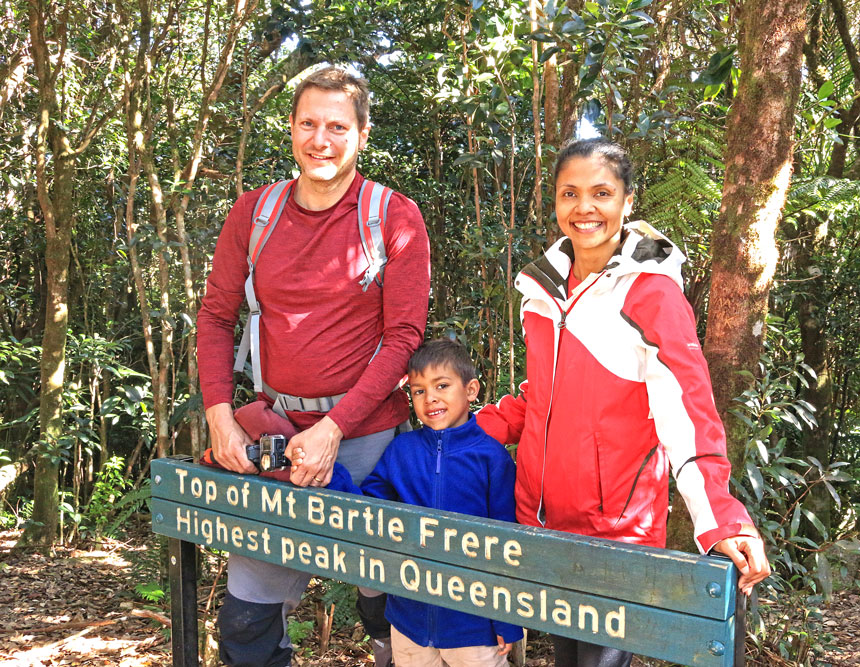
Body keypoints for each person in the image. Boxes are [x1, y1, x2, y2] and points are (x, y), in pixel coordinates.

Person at [476, 137, 771, 667]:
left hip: (615, 531)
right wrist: (467, 435)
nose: (584, 208)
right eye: (570, 193)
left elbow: (688, 412)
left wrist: (721, 519)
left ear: (627, 201)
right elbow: (540, 394)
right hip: (537, 521)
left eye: (601, 192)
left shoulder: (652, 294)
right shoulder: (540, 290)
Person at [196, 66, 430, 667]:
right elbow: (217, 316)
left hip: (368, 438)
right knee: (246, 623)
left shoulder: (394, 217)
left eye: (337, 126)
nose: (320, 140)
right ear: (292, 128)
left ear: (362, 134)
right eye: (308, 123)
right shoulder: (255, 213)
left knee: (386, 604)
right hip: (277, 435)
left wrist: (336, 427)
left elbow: (404, 335)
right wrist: (221, 418)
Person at [355, 339, 524, 667]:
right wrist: (329, 474)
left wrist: (506, 620)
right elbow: (368, 511)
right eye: (418, 391)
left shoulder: (491, 458)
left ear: (471, 389)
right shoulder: (401, 451)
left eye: (442, 386)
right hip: (409, 620)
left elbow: (508, 544)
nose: (430, 398)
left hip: (474, 625)